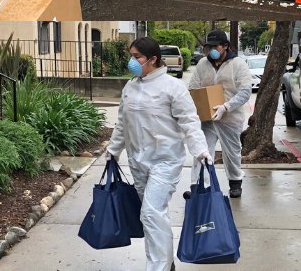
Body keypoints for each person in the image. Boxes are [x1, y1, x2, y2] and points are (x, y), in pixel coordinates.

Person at [106, 37, 212, 271]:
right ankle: (165, 261)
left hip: (165, 161)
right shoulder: (130, 86)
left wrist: (200, 151)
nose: (131, 62)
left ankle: (158, 267)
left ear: (152, 59)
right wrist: (114, 150)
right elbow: (123, 123)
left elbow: (189, 121)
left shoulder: (172, 87)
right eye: (131, 56)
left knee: (152, 213)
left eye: (137, 57)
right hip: (138, 161)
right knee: (150, 216)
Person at [188, 30, 252, 198]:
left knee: (231, 152)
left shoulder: (238, 64)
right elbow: (193, 87)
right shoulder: (203, 64)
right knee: (202, 151)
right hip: (207, 119)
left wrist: (226, 106)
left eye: (215, 46)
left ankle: (235, 182)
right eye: (209, 47)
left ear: (225, 46)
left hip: (230, 117)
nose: (212, 50)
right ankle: (199, 185)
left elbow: (245, 91)